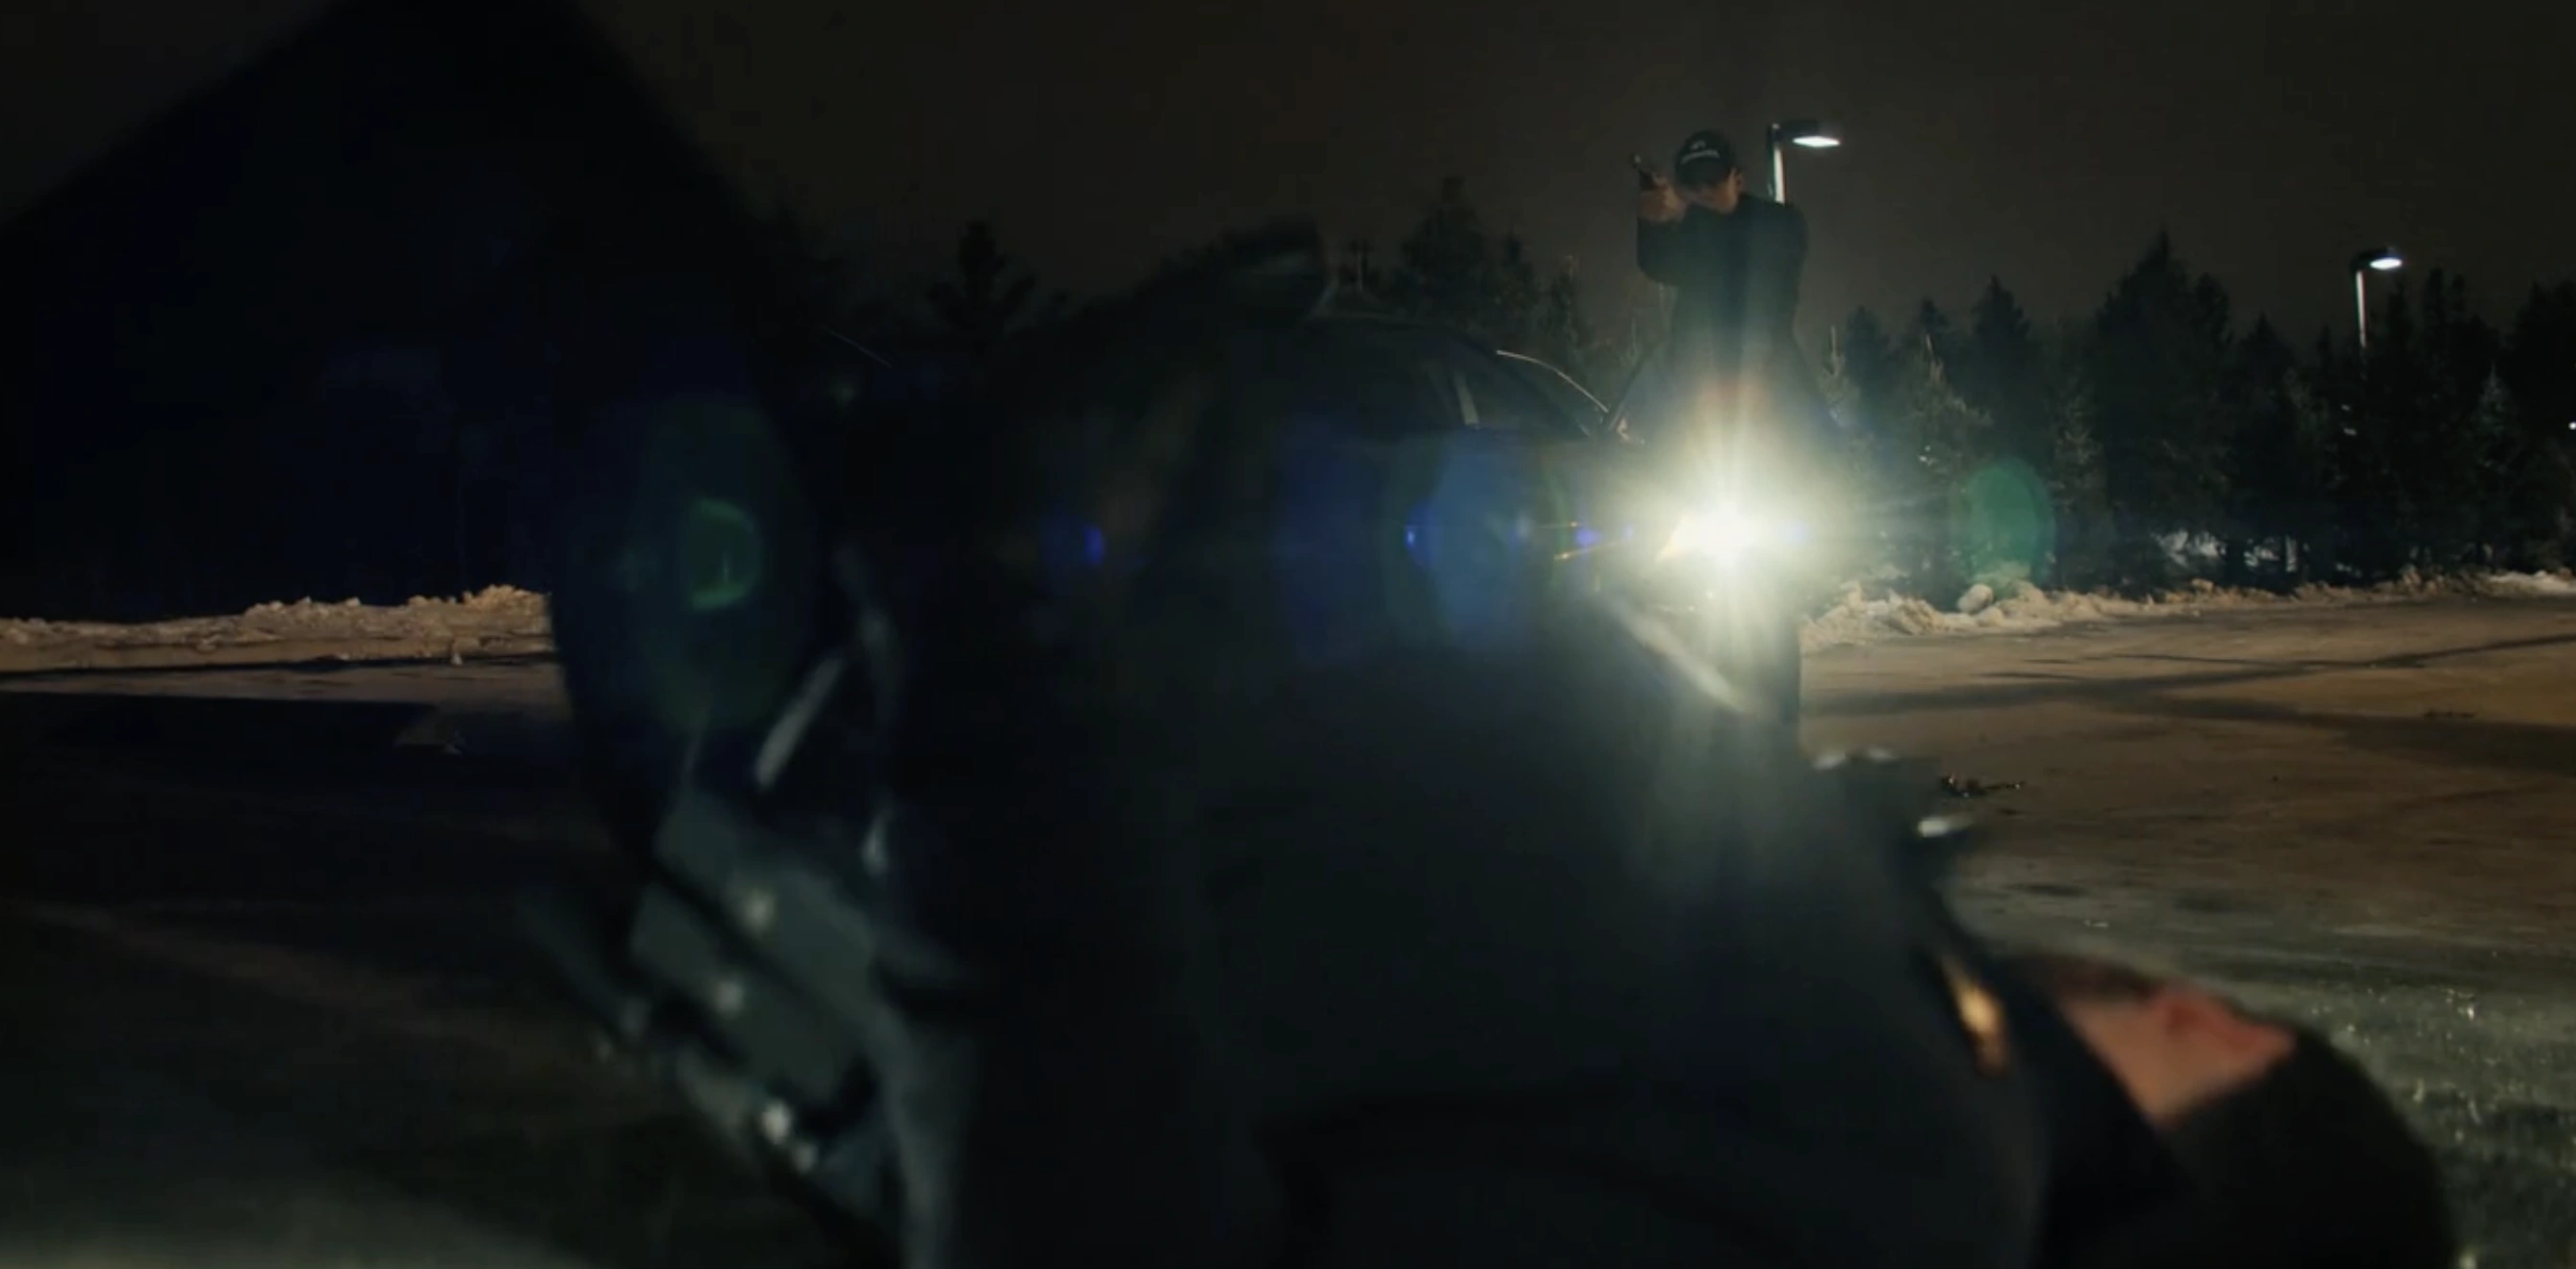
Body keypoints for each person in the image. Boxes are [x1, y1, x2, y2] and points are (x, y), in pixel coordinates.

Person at [545, 225, 2454, 1269]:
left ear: (2226, 1041)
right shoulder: (1914, 1098)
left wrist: (993, 654)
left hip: (887, 674)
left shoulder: (1912, 1166)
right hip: (861, 729)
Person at [1633, 129, 1829, 467]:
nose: (1703, 192)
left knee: (1822, 468)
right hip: (1698, 406)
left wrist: (1683, 213)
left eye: (1712, 181)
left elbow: (1742, 252)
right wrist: (1651, 220)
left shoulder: (1779, 223)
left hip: (1774, 398)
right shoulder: (1694, 236)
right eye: (1693, 184)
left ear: (1738, 180)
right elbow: (1658, 263)